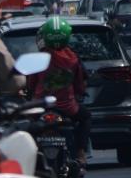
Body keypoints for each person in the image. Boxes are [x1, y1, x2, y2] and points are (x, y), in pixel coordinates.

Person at [30, 16, 91, 168]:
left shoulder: (38, 57)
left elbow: (31, 84)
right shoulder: (72, 58)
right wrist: (80, 92)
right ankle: (81, 153)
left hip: (40, 106)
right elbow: (79, 85)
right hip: (68, 108)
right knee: (86, 117)